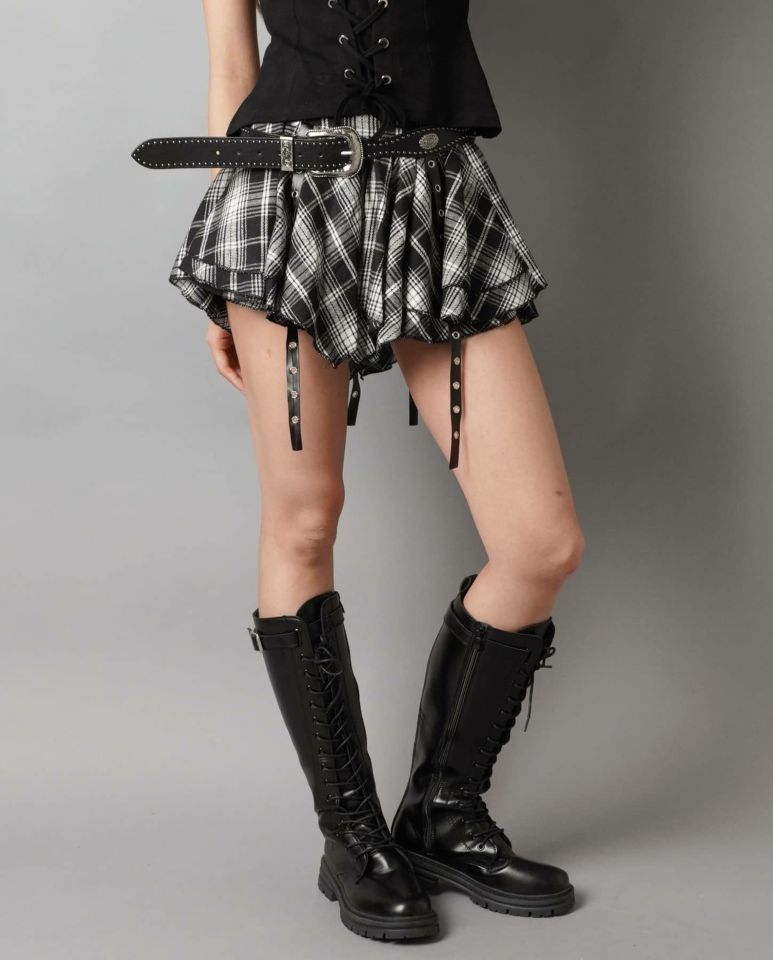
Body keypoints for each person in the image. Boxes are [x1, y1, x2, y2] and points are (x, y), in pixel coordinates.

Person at [136, 0, 585, 942]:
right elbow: (233, 72)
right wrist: (226, 275)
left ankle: (442, 814)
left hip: (436, 191)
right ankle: (351, 836)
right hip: (283, 196)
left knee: (540, 542)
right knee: (304, 519)